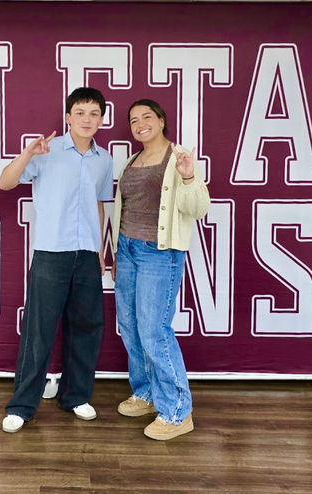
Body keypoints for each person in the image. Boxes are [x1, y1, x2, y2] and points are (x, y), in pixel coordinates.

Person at [0, 87, 114, 433]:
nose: (87, 119)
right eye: (80, 112)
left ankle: (75, 397)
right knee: (39, 331)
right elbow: (5, 183)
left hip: (87, 254)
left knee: (87, 328)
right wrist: (27, 153)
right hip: (51, 252)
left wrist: (100, 249)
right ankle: (22, 406)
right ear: (68, 117)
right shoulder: (45, 151)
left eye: (94, 113)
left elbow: (99, 204)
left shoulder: (103, 159)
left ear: (102, 119)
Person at [110, 99, 209, 440]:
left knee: (154, 330)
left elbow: (197, 208)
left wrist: (189, 176)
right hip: (127, 250)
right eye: (133, 119)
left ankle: (178, 411)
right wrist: (116, 253)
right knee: (131, 326)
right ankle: (147, 393)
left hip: (159, 254)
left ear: (162, 120)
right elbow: (125, 210)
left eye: (147, 117)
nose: (140, 123)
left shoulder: (179, 157)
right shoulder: (132, 160)